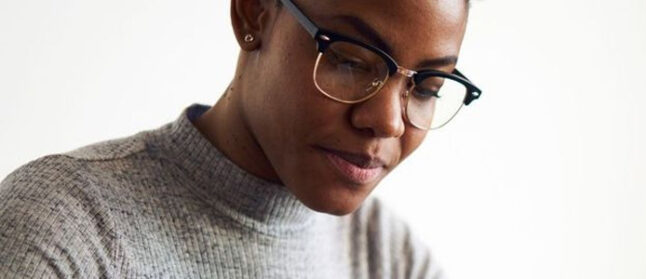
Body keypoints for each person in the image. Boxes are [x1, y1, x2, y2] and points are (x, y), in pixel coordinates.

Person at [0, 0, 481, 277]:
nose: (389, 123)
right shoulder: (69, 230)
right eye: (351, 61)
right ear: (253, 15)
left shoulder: (389, 259)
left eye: (426, 88)